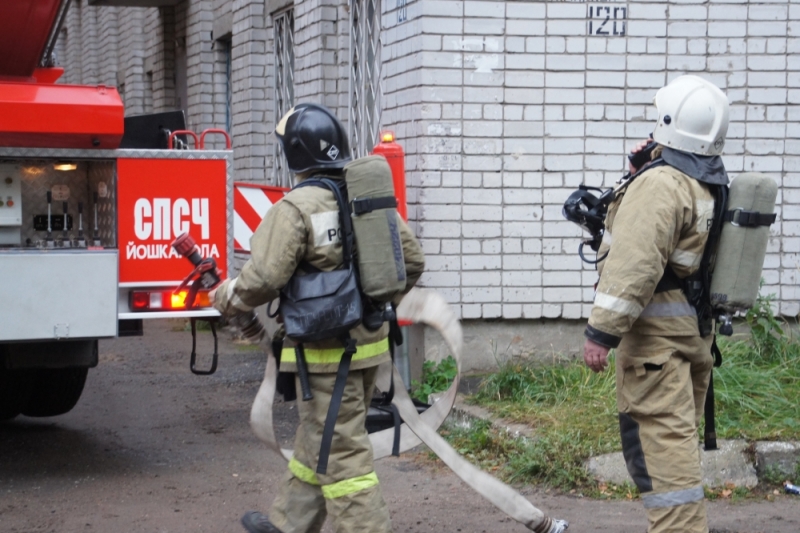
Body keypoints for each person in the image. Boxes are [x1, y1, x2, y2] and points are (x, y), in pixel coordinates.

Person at [212, 103, 425, 533]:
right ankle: (289, 524)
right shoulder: (365, 197)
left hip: (326, 356)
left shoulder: (296, 207)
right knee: (320, 437)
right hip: (370, 347)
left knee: (344, 455)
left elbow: (264, 277)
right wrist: (373, 306)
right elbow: (413, 261)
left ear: (294, 153)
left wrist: (226, 297)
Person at [582, 75, 730, 533]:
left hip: (655, 350)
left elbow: (635, 264)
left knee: (666, 464)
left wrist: (600, 333)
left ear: (670, 121)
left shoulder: (662, 184)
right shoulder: (704, 179)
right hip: (689, 338)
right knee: (674, 452)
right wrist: (639, 170)